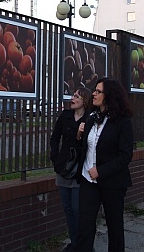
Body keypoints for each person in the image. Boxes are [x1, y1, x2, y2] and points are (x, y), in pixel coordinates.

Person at [73, 78, 133, 252]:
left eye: (98, 92)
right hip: (87, 181)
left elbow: (125, 156)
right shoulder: (92, 117)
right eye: (94, 90)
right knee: (85, 227)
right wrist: (78, 136)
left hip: (112, 182)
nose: (94, 94)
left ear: (109, 96)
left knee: (114, 227)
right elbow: (84, 148)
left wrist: (100, 170)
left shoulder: (122, 121)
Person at [50, 87, 92, 251]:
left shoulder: (89, 119)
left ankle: (83, 245)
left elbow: (90, 145)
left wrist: (79, 136)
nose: (72, 98)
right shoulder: (65, 116)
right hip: (64, 167)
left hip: (79, 169)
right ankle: (74, 243)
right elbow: (55, 138)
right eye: (72, 95)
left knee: (77, 209)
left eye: (77, 96)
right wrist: (55, 157)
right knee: (67, 208)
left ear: (85, 100)